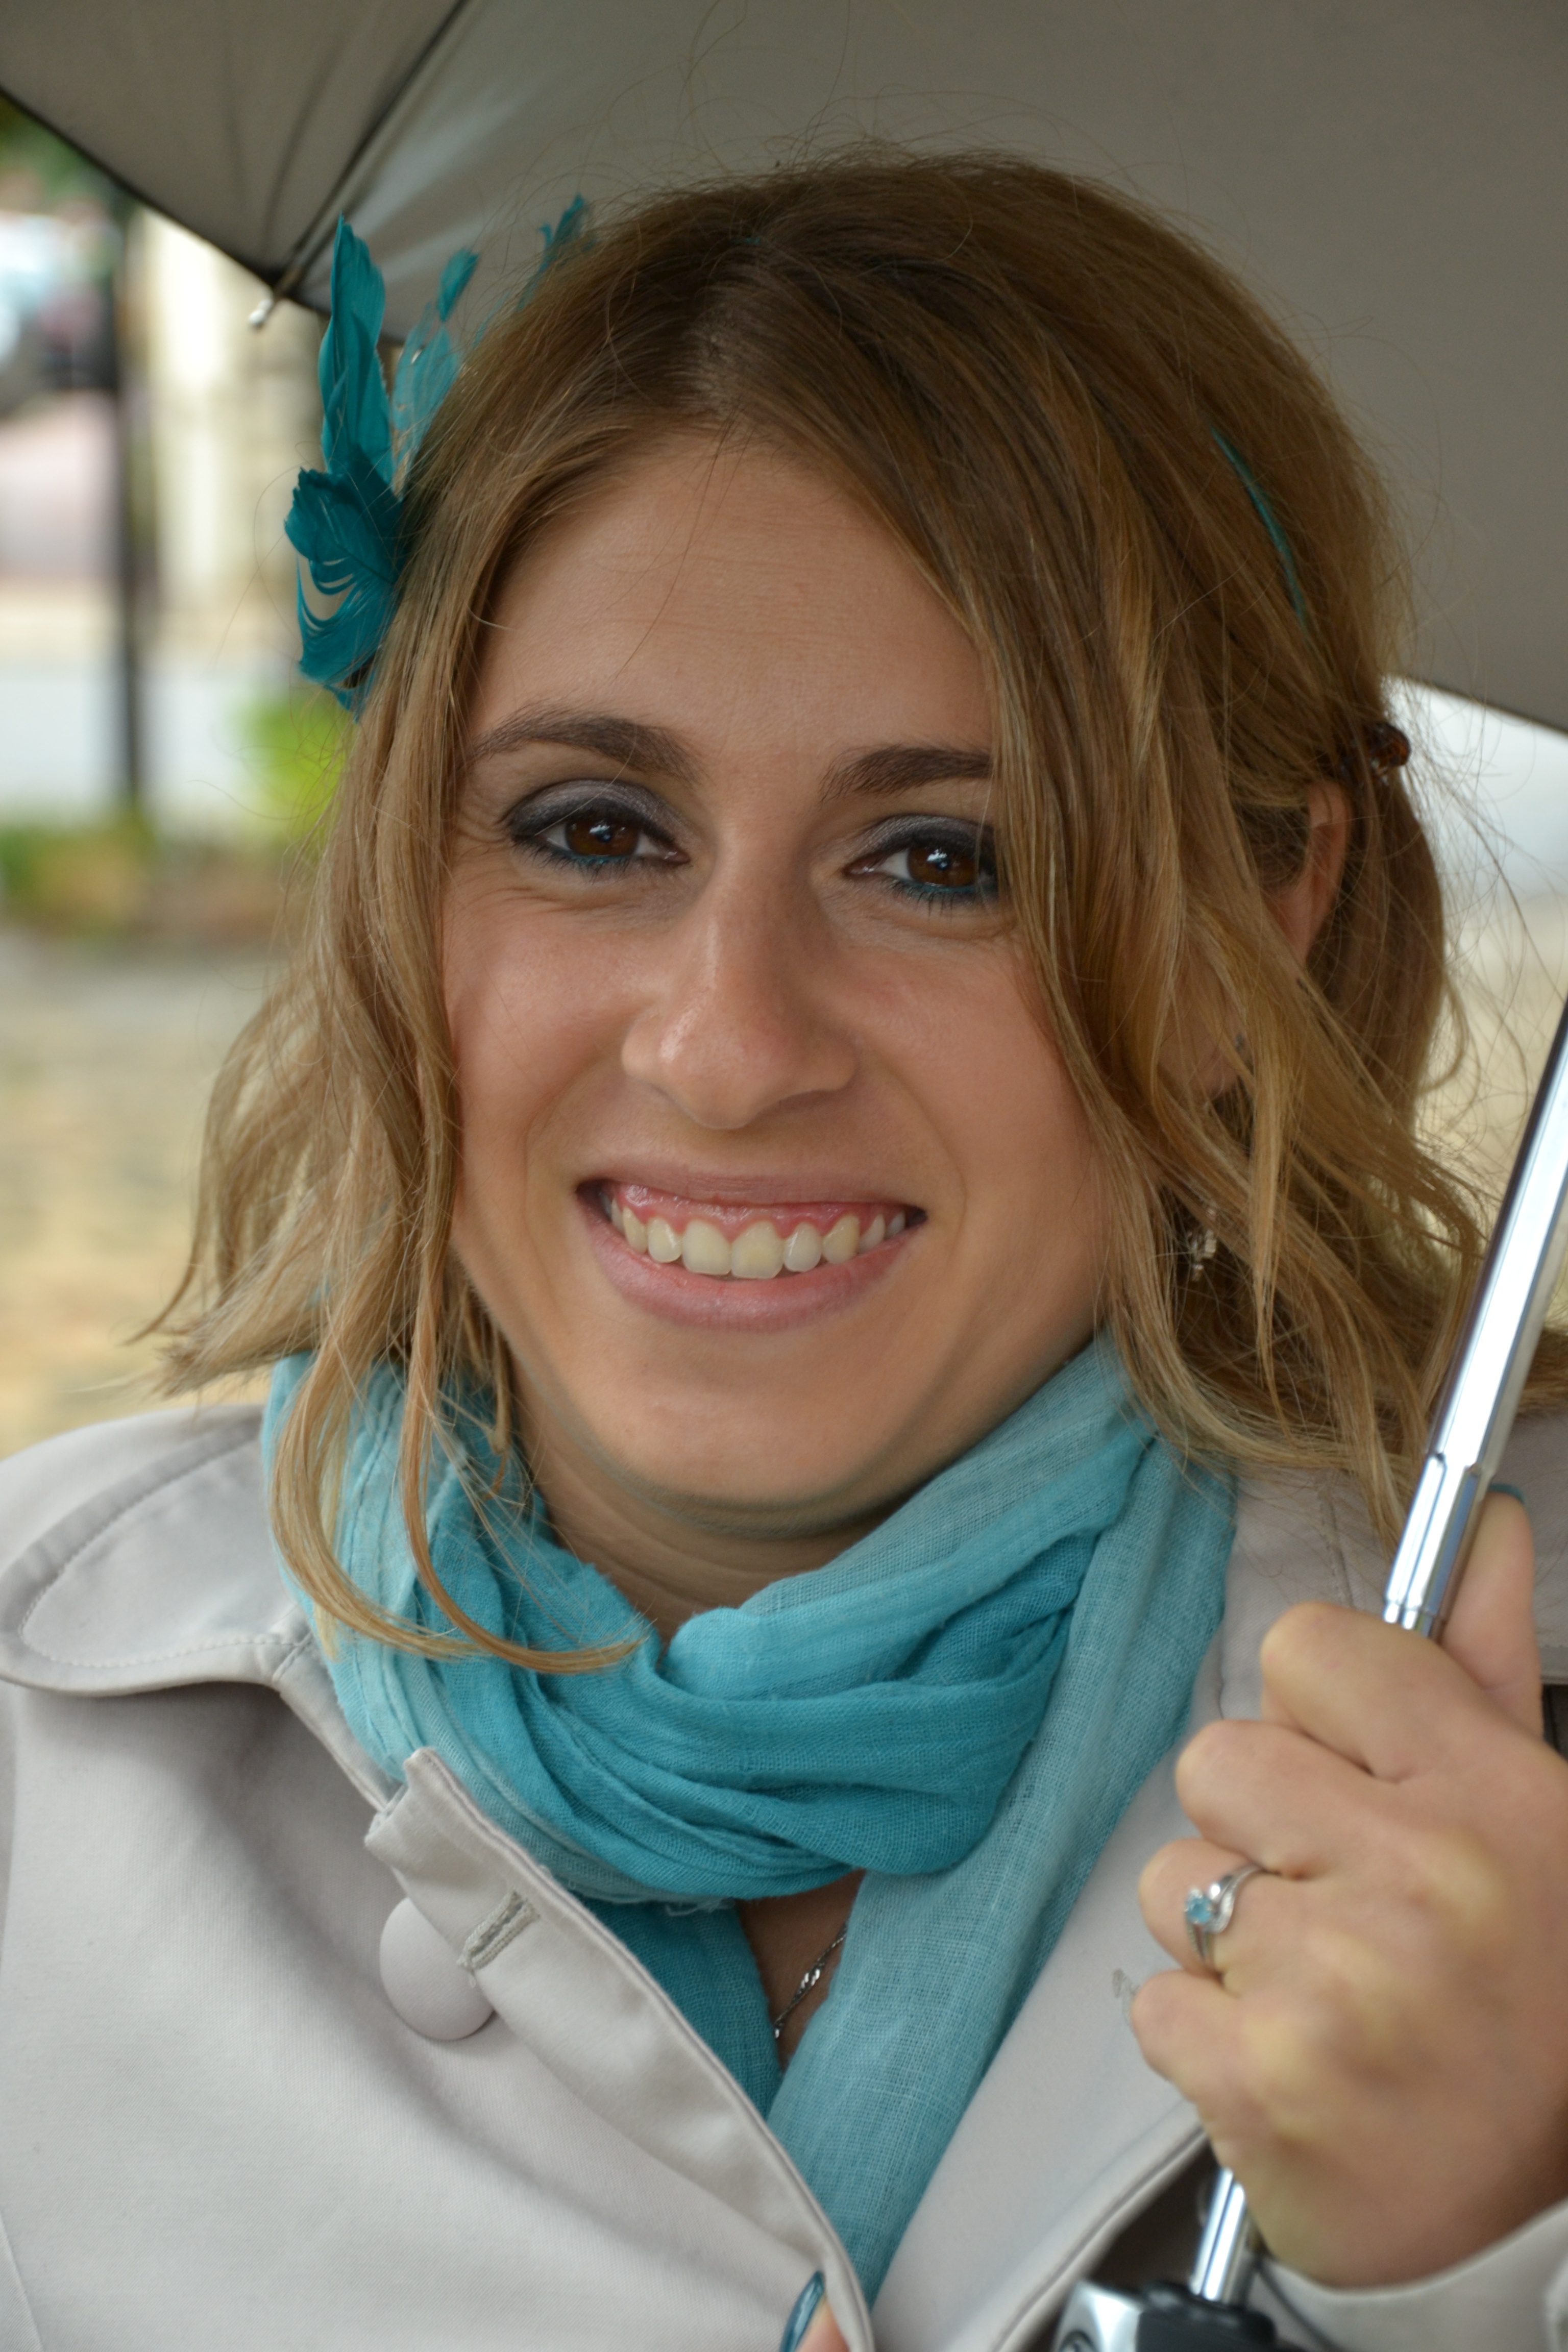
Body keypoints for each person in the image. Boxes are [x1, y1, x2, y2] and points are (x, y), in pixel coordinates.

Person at [3, 151, 1567, 2352]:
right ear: (406, 890)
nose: (728, 1049)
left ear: (1254, 932)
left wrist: (1482, 2259)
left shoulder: (1516, 1775)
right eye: (595, 830)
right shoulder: (38, 1759)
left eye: (945, 862)